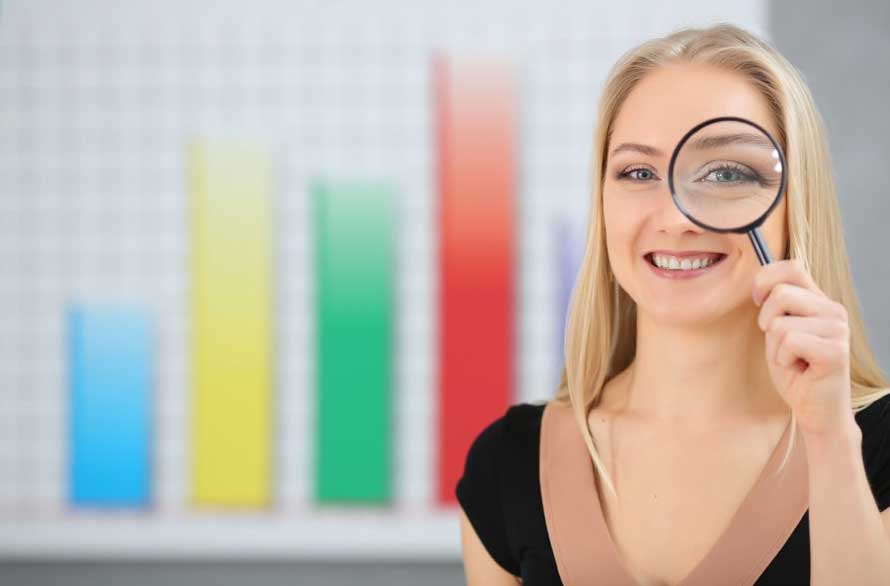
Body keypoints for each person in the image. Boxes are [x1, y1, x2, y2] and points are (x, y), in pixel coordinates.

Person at [456, 22, 890, 586]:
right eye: (638, 172)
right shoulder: (505, 467)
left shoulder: (873, 448)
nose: (678, 217)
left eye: (728, 173)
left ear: (794, 202)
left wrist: (829, 439)